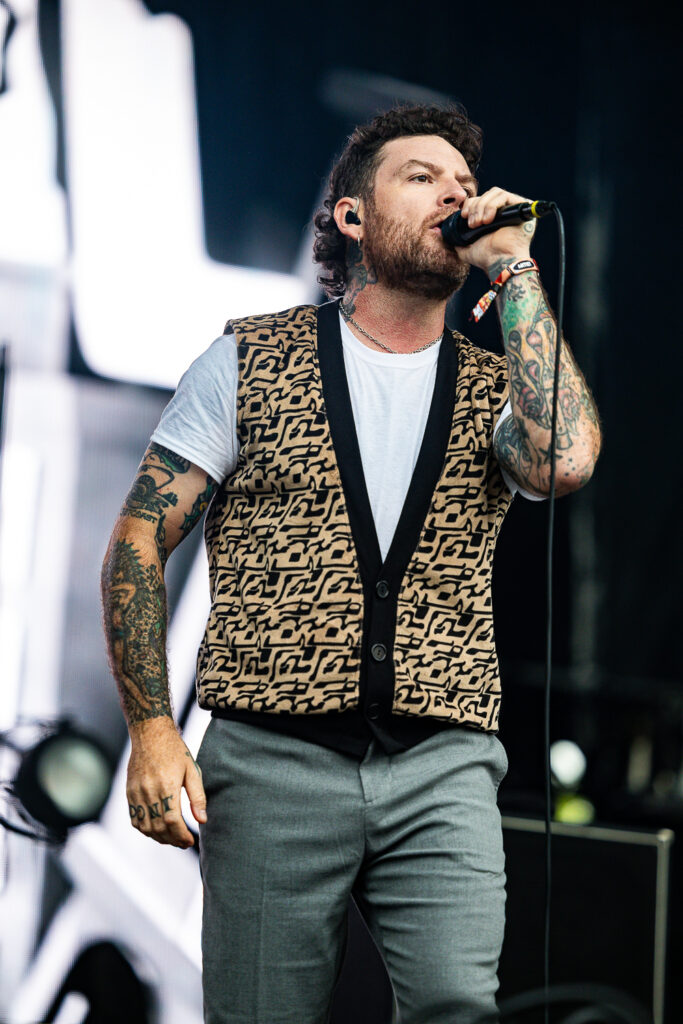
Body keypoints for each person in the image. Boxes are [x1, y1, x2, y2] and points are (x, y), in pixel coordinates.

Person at [101, 103, 601, 1024]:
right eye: (422, 176)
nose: (455, 193)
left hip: (442, 763)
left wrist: (516, 269)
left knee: (457, 1004)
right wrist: (153, 729)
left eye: (464, 181)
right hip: (272, 761)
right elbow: (139, 537)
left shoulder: (497, 386)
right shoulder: (249, 360)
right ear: (352, 216)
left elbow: (563, 460)